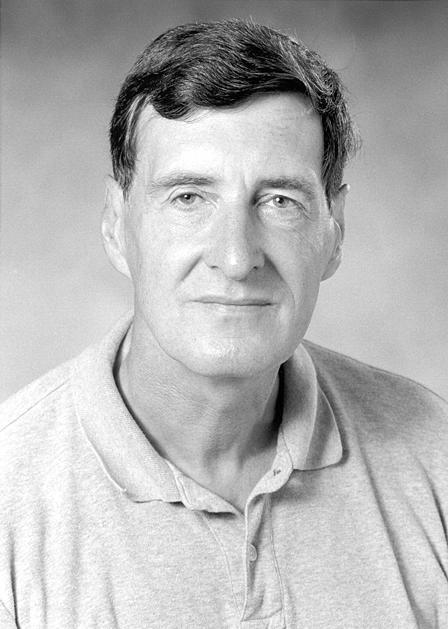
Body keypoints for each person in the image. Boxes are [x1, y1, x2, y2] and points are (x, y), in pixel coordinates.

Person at [1, 19, 447, 629]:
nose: (237, 258)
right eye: (189, 197)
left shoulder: (434, 457)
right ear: (115, 225)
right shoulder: (10, 496)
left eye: (280, 201)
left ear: (335, 230)